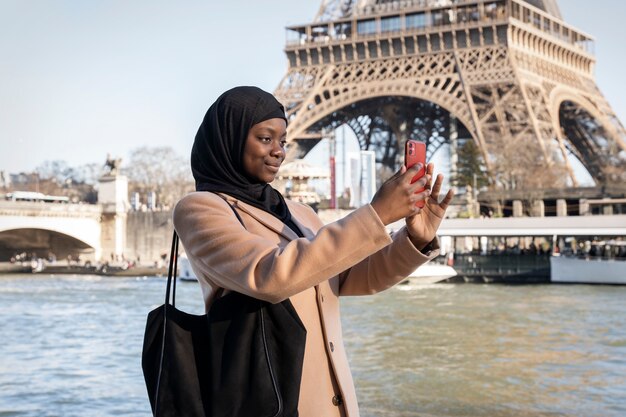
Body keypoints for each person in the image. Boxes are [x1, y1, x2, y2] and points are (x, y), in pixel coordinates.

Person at [173, 86, 453, 417]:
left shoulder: (299, 212)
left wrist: (414, 239)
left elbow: (351, 276)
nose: (278, 151)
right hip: (267, 401)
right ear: (230, 138)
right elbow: (270, 275)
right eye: (265, 138)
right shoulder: (200, 209)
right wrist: (376, 214)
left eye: (283, 141)